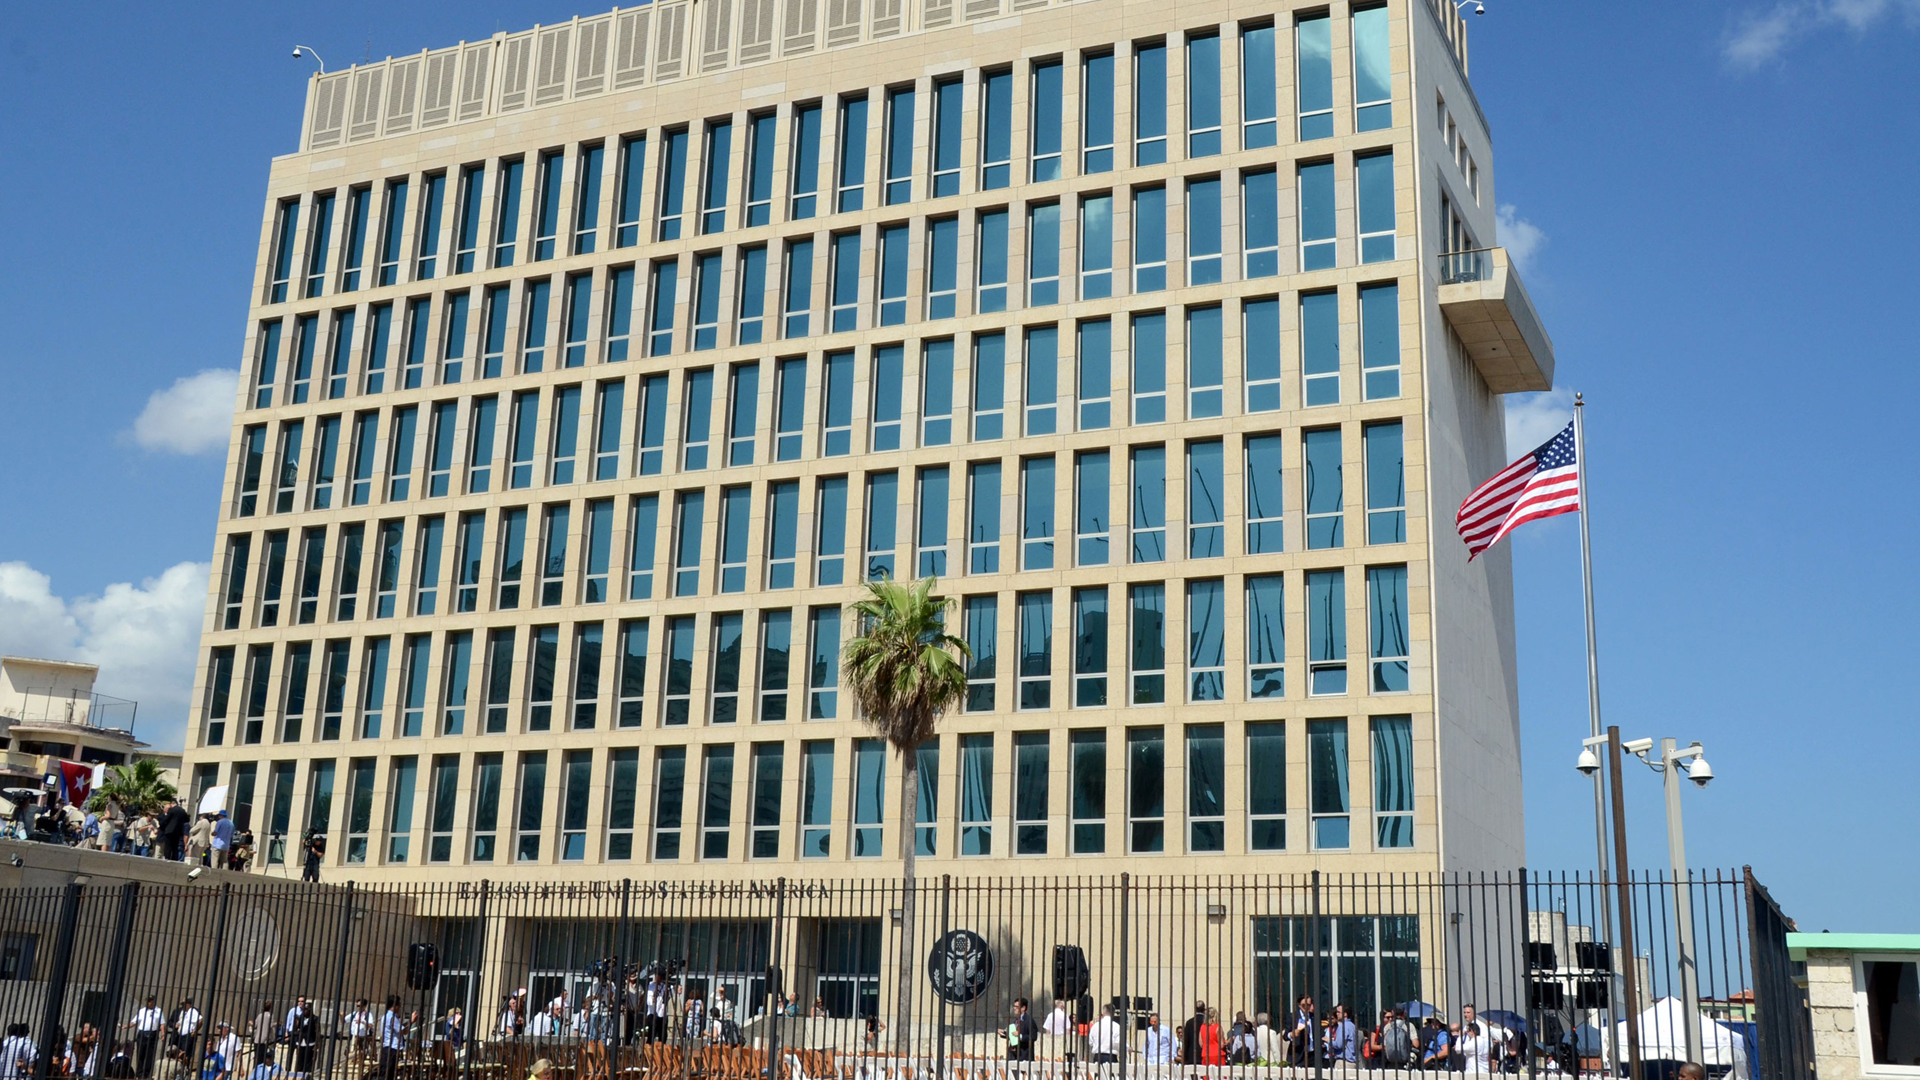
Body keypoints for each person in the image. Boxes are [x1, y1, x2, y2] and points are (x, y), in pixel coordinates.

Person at [127, 996, 166, 1077]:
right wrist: (126, 1026)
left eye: (150, 1001)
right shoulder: (142, 1011)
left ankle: (147, 1074)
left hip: (152, 1034)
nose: (149, 1003)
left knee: (149, 1055)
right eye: (148, 1001)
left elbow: (162, 1024)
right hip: (142, 1034)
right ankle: (139, 1074)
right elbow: (134, 1021)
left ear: (153, 1002)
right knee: (140, 1054)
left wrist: (163, 1033)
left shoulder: (158, 1011)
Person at [1085, 1004, 1122, 1075]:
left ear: (1103, 1012)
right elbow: (1118, 1042)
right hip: (1111, 1057)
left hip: (1097, 1057)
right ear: (1113, 1013)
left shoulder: (1095, 1026)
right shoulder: (1116, 1026)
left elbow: (1090, 1042)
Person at [1000, 998, 1037, 1063]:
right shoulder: (1016, 1020)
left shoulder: (1029, 1020)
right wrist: (1003, 1033)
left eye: (1016, 1006)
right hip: (1013, 1055)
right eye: (1014, 1006)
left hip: (1024, 1056)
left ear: (1023, 1008)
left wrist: (1020, 1036)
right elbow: (1013, 1036)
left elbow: (1033, 1037)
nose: (1014, 1008)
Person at [379, 996, 407, 1080]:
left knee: (388, 1073)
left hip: (388, 1047)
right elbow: (403, 1031)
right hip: (391, 1048)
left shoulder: (387, 1016)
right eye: (399, 1005)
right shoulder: (391, 1017)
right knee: (388, 1073)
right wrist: (412, 1021)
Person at [1287, 997, 1317, 1067]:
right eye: (1304, 1005)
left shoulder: (1314, 1017)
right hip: (1299, 1055)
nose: (1306, 1007)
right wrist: (1291, 1034)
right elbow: (1285, 1035)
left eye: (1308, 1005)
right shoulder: (1292, 1016)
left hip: (1312, 1055)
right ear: (1299, 1005)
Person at [249, 1004, 277, 1071]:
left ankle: (255, 1071)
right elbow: (270, 1026)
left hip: (257, 1040)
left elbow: (255, 1025)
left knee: (257, 1058)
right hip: (265, 1040)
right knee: (264, 1059)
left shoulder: (260, 1015)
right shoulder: (270, 1015)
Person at [1180, 1002, 1207, 1067]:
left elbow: (1186, 1040)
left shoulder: (1190, 1022)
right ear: (1204, 1009)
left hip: (1191, 1055)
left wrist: (1185, 1056)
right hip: (1204, 1054)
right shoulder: (1206, 1022)